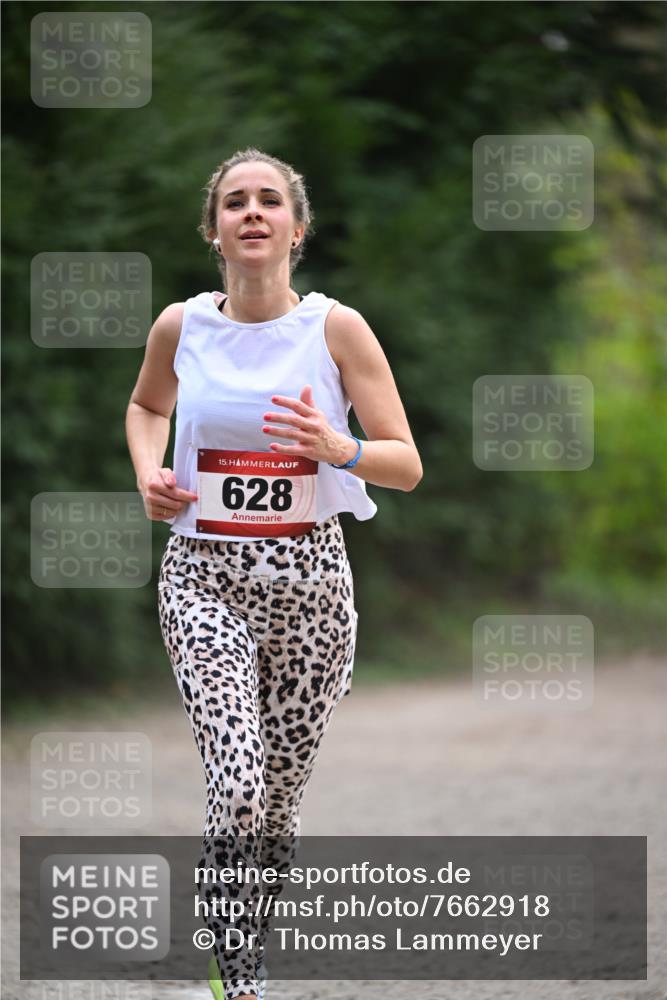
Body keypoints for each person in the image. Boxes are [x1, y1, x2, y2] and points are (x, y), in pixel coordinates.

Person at [125, 147, 422, 1000]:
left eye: (268, 201)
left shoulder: (335, 329)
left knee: (281, 804)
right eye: (233, 202)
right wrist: (150, 471)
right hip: (202, 576)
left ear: (296, 228)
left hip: (311, 587)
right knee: (240, 779)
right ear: (213, 230)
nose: (250, 213)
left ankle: (244, 935)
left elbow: (403, 464)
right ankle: (238, 974)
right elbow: (147, 406)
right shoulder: (181, 325)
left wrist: (341, 449)